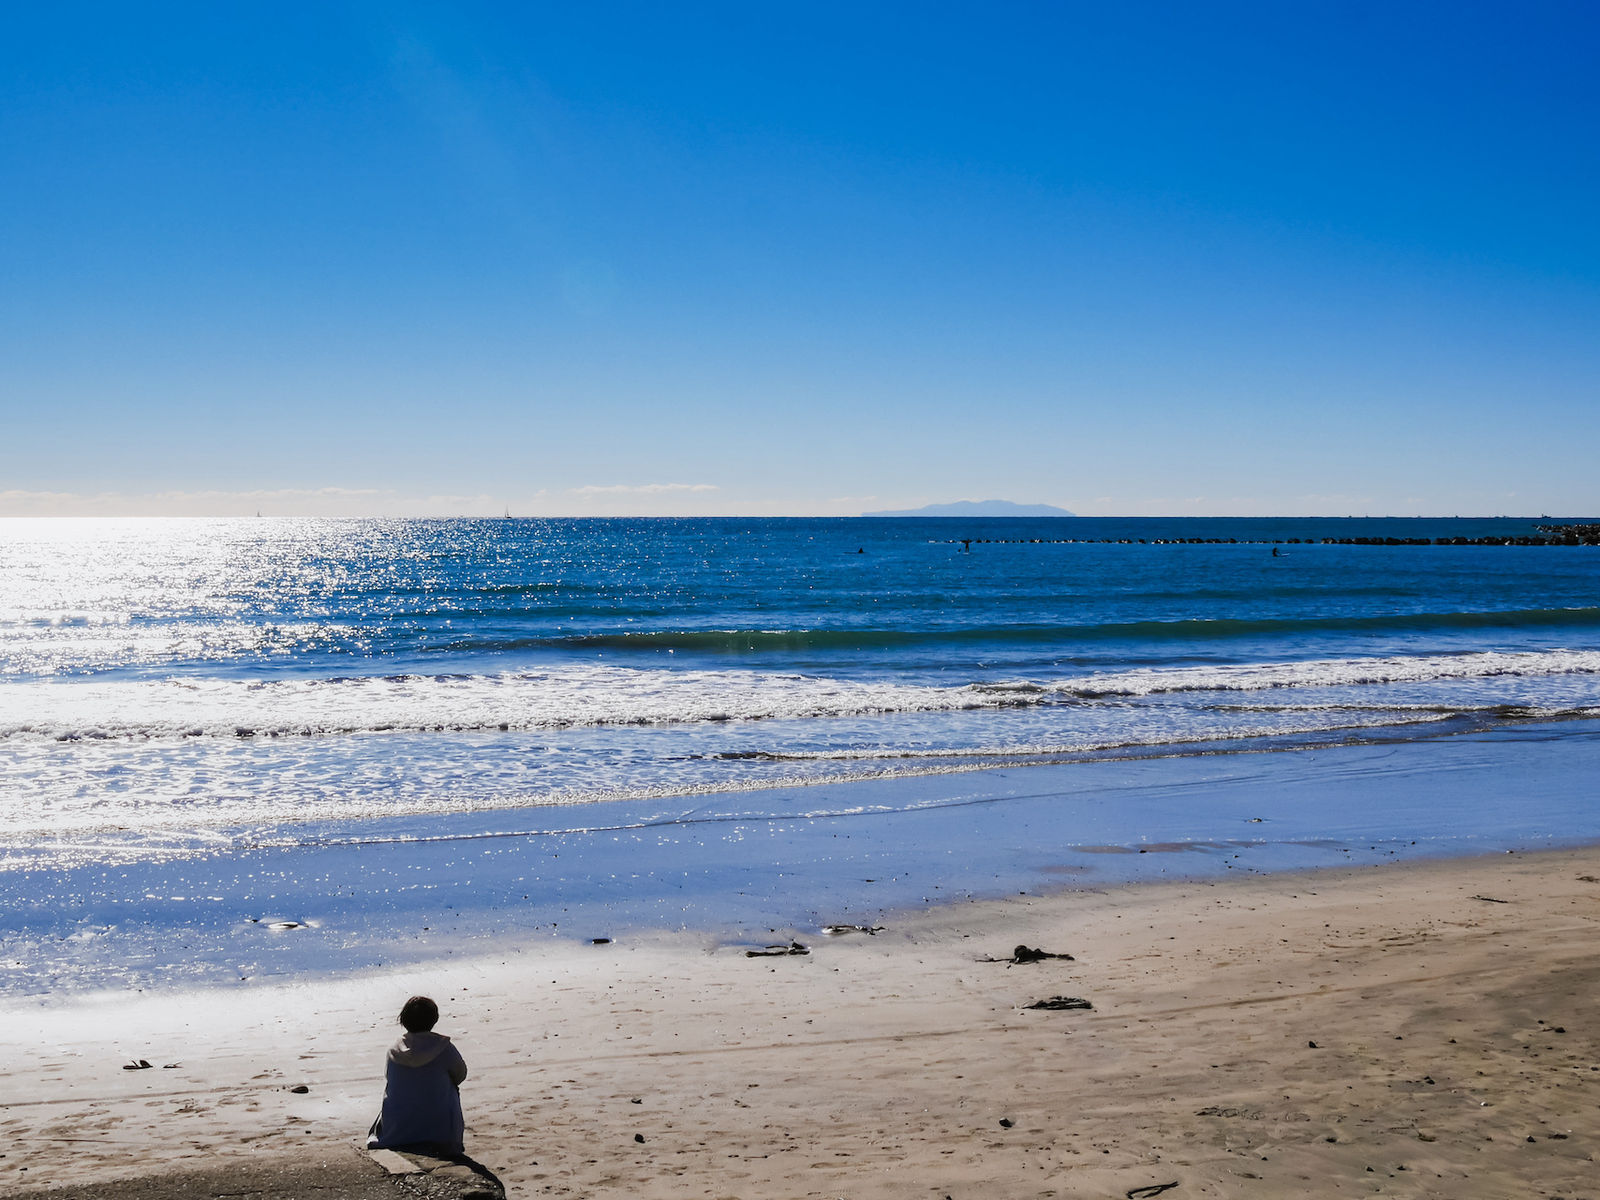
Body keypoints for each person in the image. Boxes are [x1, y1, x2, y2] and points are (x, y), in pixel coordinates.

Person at [366, 995, 469, 1156]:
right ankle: (448, 1138)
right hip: (439, 1127)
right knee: (450, 1086)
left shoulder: (394, 1048)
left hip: (398, 1125)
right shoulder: (444, 1047)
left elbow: (389, 1078)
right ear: (434, 1019)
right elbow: (460, 1075)